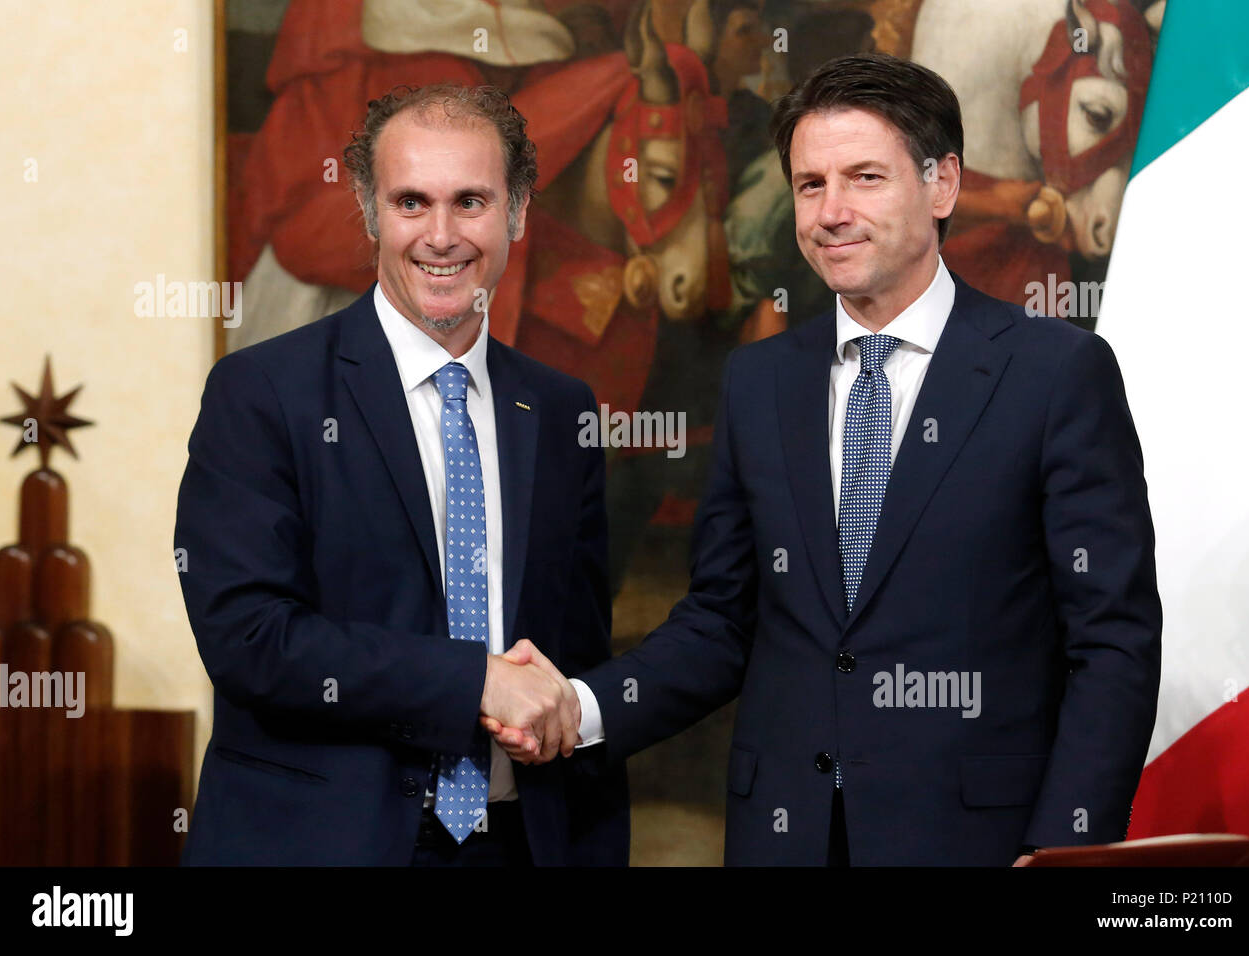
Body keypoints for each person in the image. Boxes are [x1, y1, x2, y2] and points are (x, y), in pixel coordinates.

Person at [487, 52, 1161, 866]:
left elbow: (1114, 641)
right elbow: (720, 623)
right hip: (785, 836)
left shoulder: (1056, 374)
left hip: (979, 842)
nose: (831, 212)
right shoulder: (760, 381)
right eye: (810, 185)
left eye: (865, 178)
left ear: (942, 184)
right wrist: (580, 705)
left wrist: (1066, 848)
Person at [175, 82, 628, 866]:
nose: (442, 235)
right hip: (320, 848)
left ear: (518, 210)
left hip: (521, 844)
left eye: (472, 202)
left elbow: (576, 656)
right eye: (412, 201)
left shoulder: (560, 410)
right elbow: (250, 639)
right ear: (368, 208)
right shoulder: (262, 393)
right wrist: (474, 682)